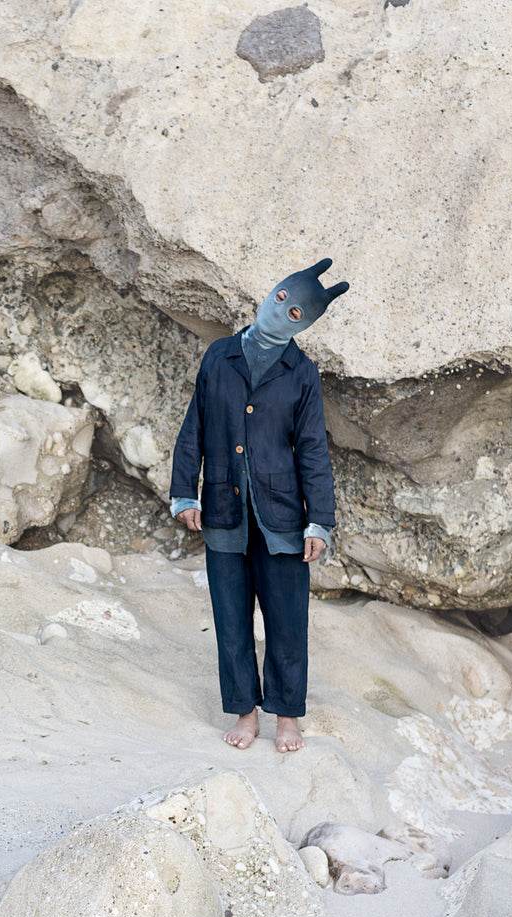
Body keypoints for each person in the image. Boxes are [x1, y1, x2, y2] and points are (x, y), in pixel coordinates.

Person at [169, 259, 349, 753]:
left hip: (283, 519)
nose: (282, 312)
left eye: (296, 314)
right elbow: (194, 430)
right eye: (280, 299)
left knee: (287, 620)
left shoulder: (302, 372)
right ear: (269, 293)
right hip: (224, 511)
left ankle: (287, 716)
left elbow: (313, 449)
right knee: (231, 620)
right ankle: (245, 712)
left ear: (306, 325)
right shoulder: (219, 356)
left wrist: (320, 521)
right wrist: (184, 491)